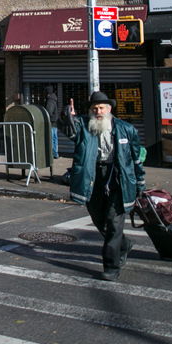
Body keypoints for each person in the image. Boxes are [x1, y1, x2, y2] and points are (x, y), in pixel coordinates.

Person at [65, 91, 146, 281]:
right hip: (93, 178)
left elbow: (136, 158)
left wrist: (140, 183)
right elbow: (68, 130)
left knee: (114, 221)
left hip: (118, 178)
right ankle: (124, 244)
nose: (98, 111)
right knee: (99, 218)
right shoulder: (84, 126)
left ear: (109, 109)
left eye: (101, 107)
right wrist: (68, 115)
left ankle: (111, 266)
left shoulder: (126, 129)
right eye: (94, 108)